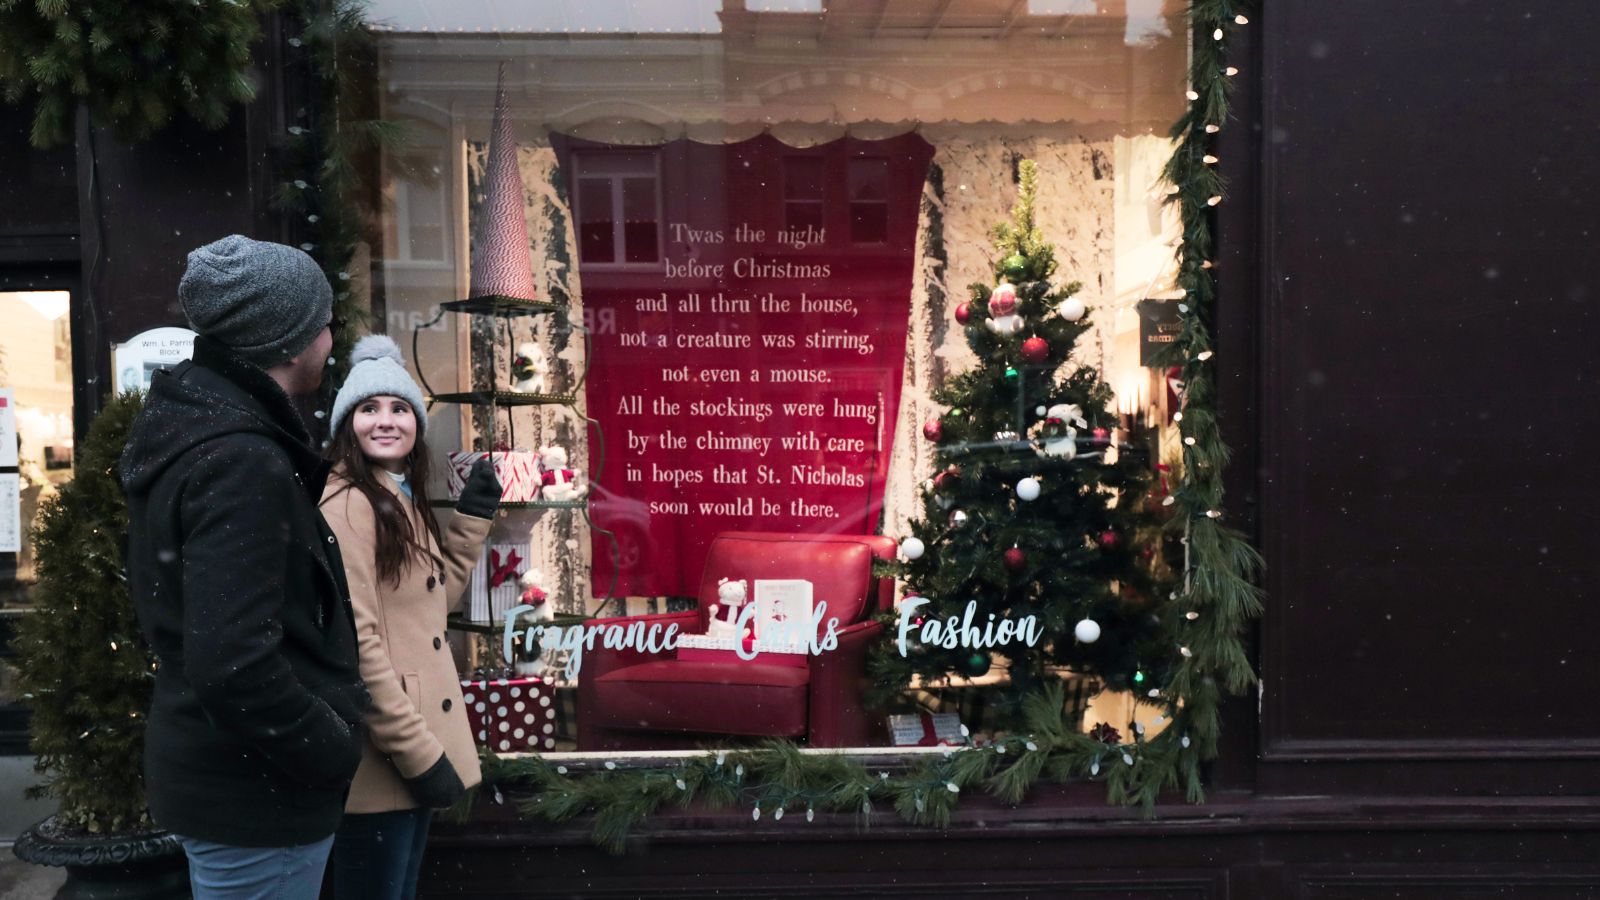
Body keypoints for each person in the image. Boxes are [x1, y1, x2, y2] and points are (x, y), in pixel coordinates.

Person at [119, 235, 368, 897]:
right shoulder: (240, 460)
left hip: (232, 782)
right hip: (258, 799)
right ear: (289, 342)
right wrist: (331, 746)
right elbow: (232, 662)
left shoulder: (201, 429)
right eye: (326, 323)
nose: (331, 341)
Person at [319, 335, 501, 900]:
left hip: (411, 747)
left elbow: (428, 610)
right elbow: (358, 646)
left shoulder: (396, 494)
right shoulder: (349, 503)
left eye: (399, 408)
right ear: (347, 424)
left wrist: (470, 522)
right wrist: (420, 756)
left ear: (417, 425)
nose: (385, 420)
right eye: (368, 408)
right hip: (390, 758)